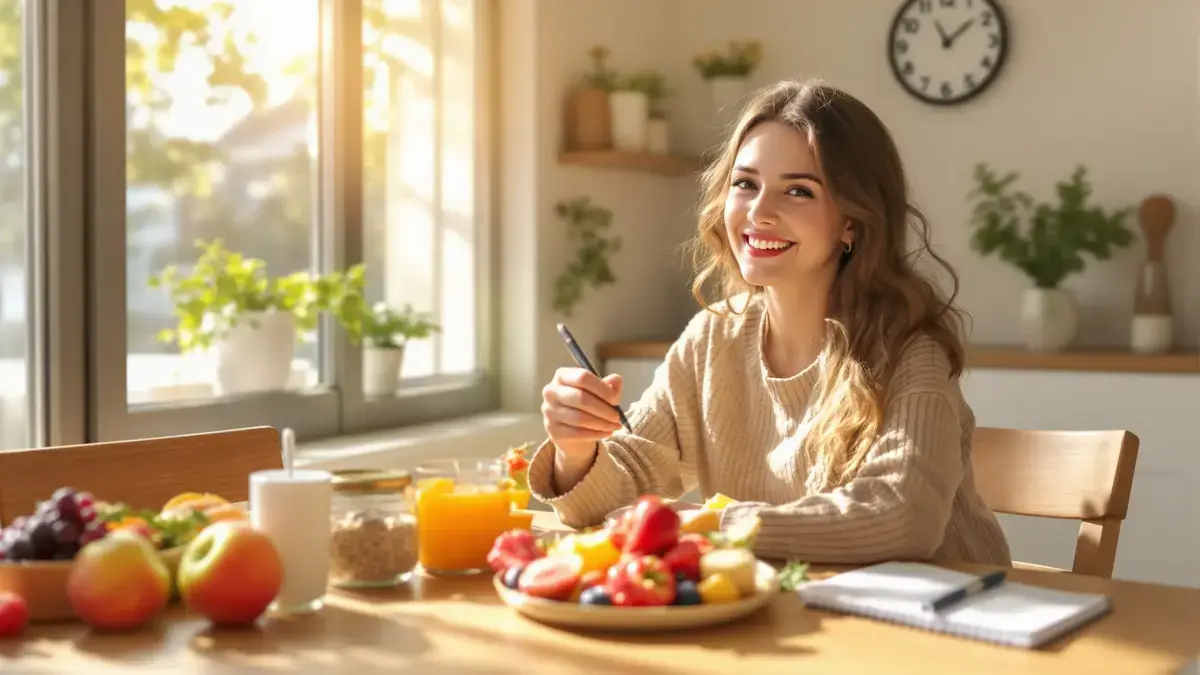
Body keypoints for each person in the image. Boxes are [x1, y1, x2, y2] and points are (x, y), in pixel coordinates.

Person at [530, 78, 1012, 566]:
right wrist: (576, 451)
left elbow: (902, 518)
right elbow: (619, 493)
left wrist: (719, 525)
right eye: (745, 184)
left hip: (948, 618)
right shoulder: (711, 339)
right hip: (798, 616)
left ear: (852, 221)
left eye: (799, 191)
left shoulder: (910, 349)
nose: (760, 212)